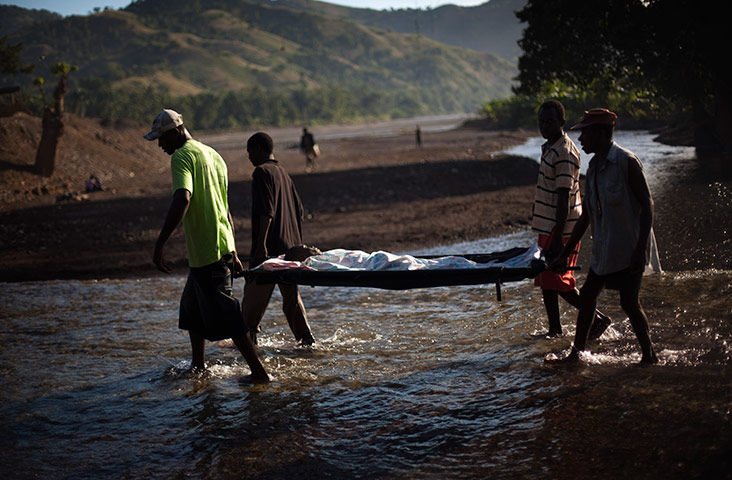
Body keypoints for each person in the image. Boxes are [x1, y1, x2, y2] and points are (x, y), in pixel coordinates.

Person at [145, 109, 269, 381]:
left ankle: (260, 373)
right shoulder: (214, 155)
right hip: (219, 247)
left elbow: (183, 198)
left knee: (230, 317)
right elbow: (225, 209)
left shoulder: (182, 156)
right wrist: (233, 250)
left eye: (161, 139)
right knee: (191, 311)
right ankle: (198, 366)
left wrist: (160, 243)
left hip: (207, 252)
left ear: (176, 133)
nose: (160, 146)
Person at [549, 108, 659, 364]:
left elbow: (647, 204)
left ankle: (649, 356)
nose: (582, 140)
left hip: (629, 248)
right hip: (605, 249)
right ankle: (577, 354)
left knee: (629, 303)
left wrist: (641, 247)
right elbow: (586, 215)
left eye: (585, 134)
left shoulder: (626, 161)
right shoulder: (595, 165)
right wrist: (564, 254)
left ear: (601, 133)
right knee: (587, 297)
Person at [532, 100, 611, 338]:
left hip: (562, 227)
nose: (544, 126)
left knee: (559, 280)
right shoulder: (550, 147)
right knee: (547, 280)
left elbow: (564, 196)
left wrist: (557, 236)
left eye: (550, 122)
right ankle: (555, 329)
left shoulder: (565, 151)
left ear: (561, 123)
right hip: (549, 225)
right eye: (541, 122)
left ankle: (597, 319)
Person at [242, 132, 316, 346]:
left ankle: (248, 358)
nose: (248, 157)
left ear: (257, 149)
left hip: (271, 255)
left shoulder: (261, 172)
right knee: (292, 302)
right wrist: (296, 246)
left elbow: (267, 212)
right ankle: (307, 344)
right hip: (290, 253)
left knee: (249, 313)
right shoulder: (283, 173)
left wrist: (260, 248)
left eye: (249, 152)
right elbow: (299, 211)